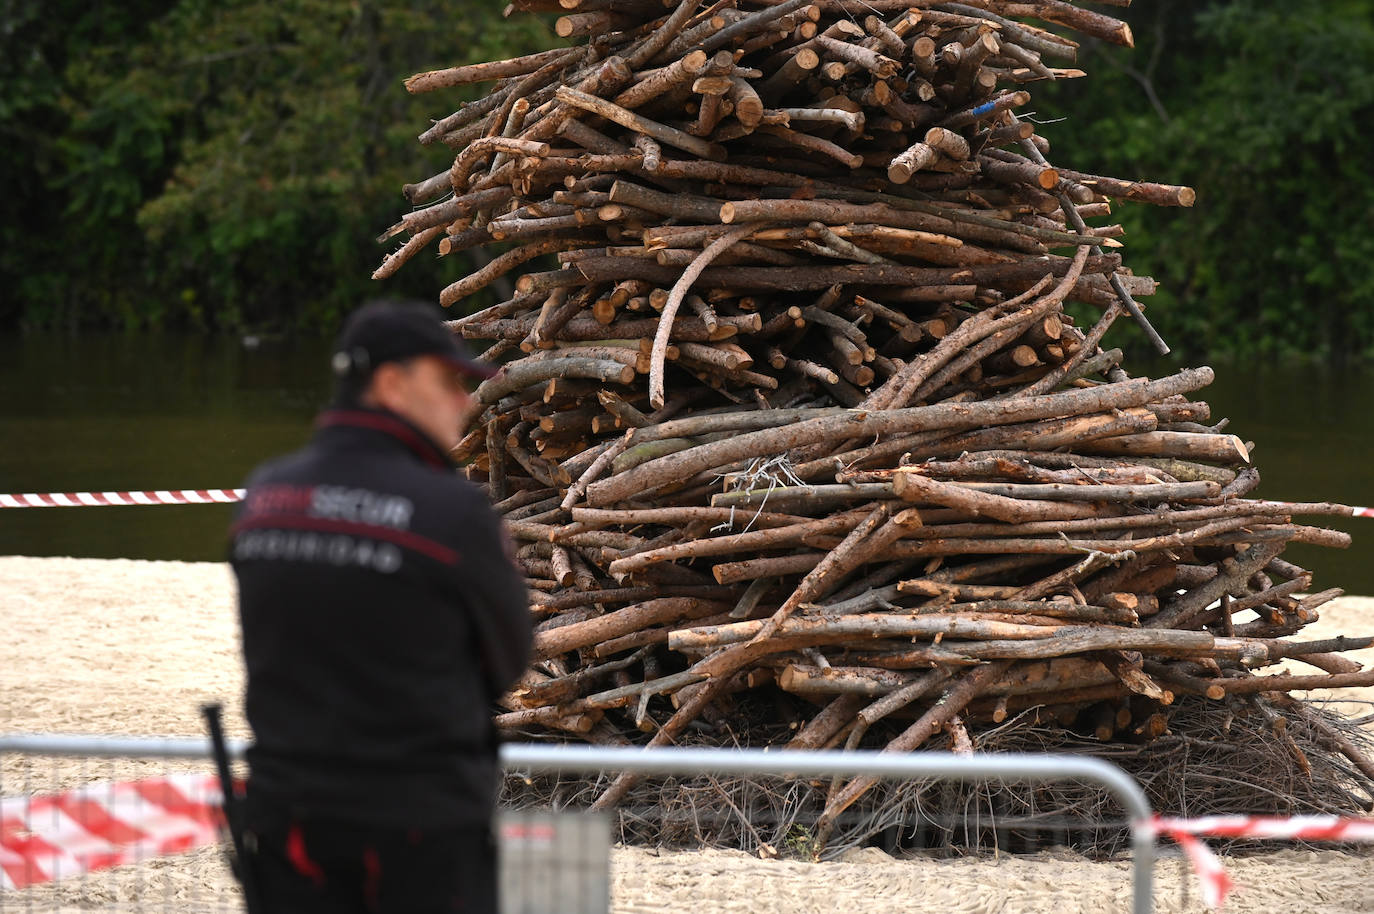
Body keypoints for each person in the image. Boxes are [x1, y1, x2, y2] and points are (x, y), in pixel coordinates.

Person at [229, 299, 532, 914]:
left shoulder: (265, 497)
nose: (465, 402)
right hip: (417, 832)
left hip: (287, 824)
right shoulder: (451, 511)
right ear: (391, 383)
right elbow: (509, 662)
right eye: (448, 382)